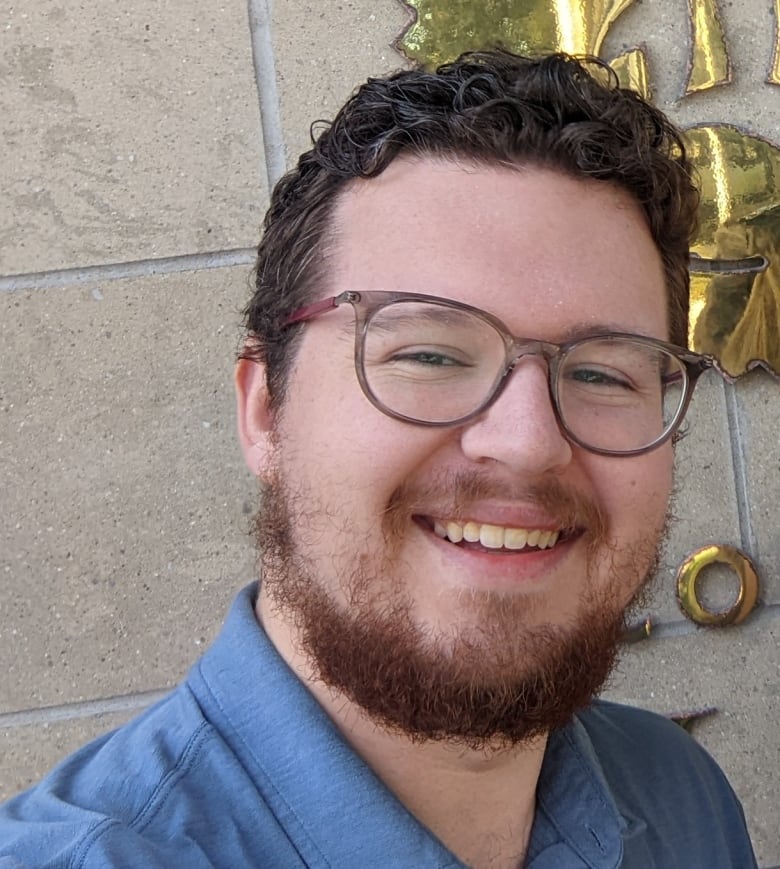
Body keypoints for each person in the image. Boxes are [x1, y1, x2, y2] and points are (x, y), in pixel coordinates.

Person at [0, 50, 757, 868]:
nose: (529, 440)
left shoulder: (680, 798)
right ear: (265, 410)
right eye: (429, 354)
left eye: (603, 371)